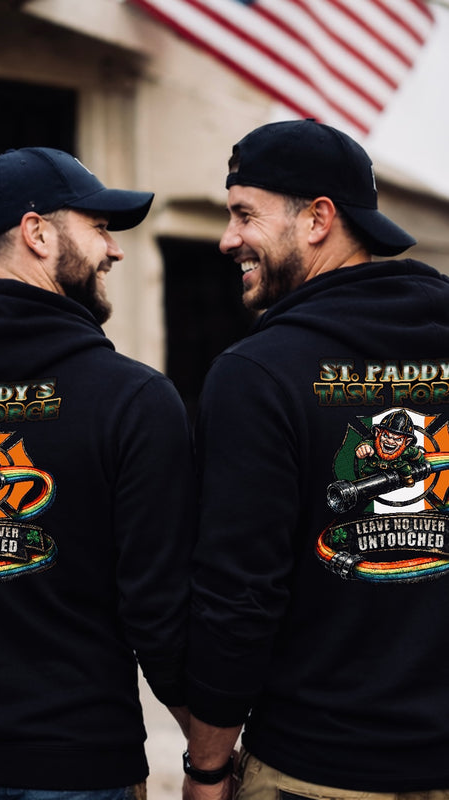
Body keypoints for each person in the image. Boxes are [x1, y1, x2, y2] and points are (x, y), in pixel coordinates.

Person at [0, 146, 196, 799]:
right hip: (78, 766)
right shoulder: (131, 399)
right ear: (37, 233)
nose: (114, 249)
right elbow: (158, 611)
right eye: (98, 227)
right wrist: (208, 752)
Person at [182, 119, 449, 800]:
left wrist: (207, 766)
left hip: (317, 771)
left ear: (317, 220)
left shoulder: (257, 373)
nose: (227, 239)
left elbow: (238, 596)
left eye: (245, 214)